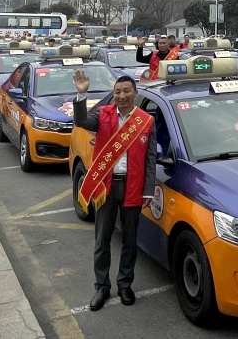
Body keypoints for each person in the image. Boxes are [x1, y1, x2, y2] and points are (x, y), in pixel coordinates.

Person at [71, 71, 156, 312]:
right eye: (117, 92)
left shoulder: (146, 121)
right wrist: (82, 94)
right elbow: (82, 122)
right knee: (102, 239)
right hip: (105, 187)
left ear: (135, 94)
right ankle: (102, 286)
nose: (121, 96)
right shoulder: (103, 114)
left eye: (126, 91)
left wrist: (148, 191)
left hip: (133, 186)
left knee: (130, 239)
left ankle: (125, 284)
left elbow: (150, 159)